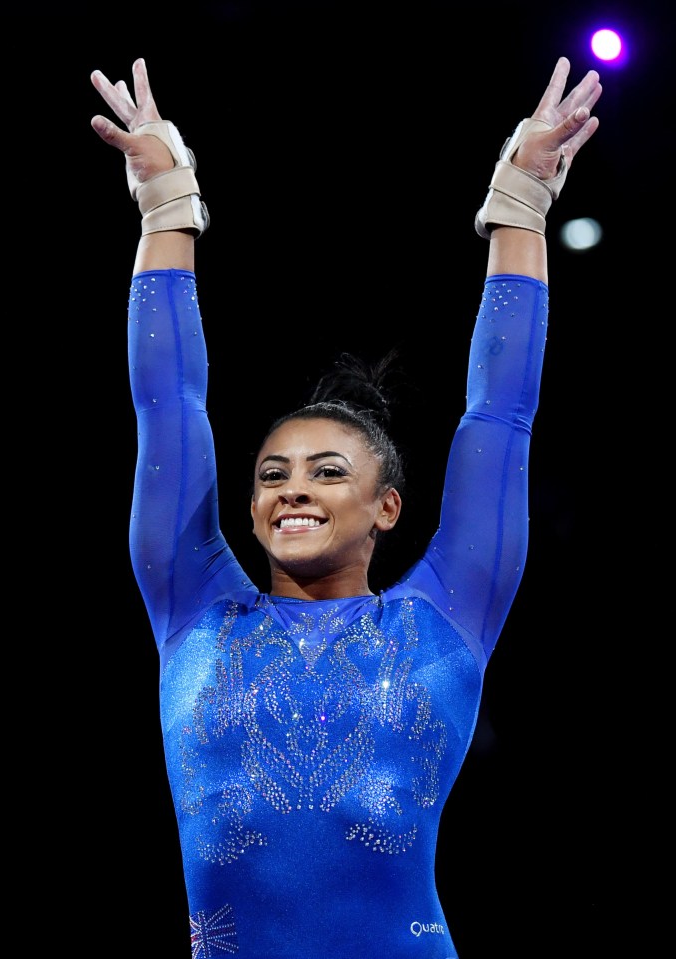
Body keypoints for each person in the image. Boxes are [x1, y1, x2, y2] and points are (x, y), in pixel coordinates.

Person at [90, 54, 602, 958]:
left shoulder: (447, 611)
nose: (290, 487)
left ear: (387, 507)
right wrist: (167, 207)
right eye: (272, 473)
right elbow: (165, 404)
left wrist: (519, 204)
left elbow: (501, 414)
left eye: (328, 472)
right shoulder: (192, 605)